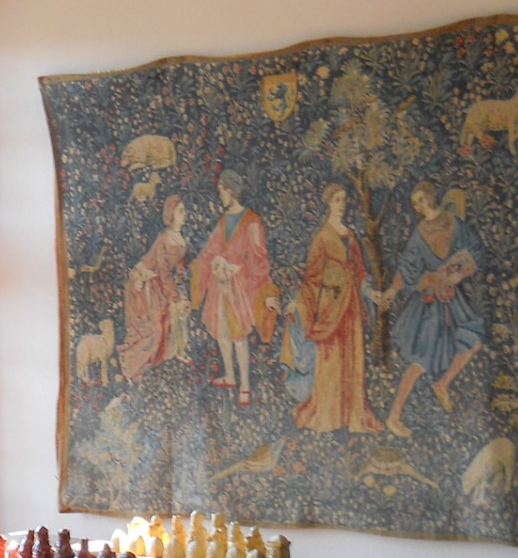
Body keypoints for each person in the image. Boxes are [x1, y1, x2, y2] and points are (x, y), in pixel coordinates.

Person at [377, 182, 486, 438]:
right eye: (415, 203)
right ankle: (394, 416)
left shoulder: (454, 222)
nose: (418, 206)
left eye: (421, 200)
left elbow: (476, 252)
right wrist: (392, 291)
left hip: (452, 297)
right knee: (420, 361)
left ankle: (443, 384)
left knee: (472, 342)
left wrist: (457, 272)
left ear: (431, 197)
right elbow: (407, 268)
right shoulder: (420, 232)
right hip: (429, 304)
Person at [282, 183, 382, 434]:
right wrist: (299, 302)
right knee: (331, 358)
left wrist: (371, 293)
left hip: (351, 307)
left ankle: (352, 413)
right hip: (330, 305)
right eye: (337, 200)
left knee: (353, 357)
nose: (342, 204)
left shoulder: (351, 236)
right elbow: (313, 278)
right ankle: (328, 414)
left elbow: (359, 272)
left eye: (344, 199)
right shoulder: (322, 237)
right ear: (328, 203)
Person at [190, 169, 279, 408]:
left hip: (240, 287)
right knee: (222, 331)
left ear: (231, 191)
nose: (221, 197)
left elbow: (259, 259)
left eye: (222, 192)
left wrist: (234, 266)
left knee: (239, 336)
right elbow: (211, 248)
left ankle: (246, 387)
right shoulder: (223, 220)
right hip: (220, 285)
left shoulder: (252, 221)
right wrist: (208, 263)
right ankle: (230, 376)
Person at [118, 194, 191, 381]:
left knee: (171, 320)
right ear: (171, 214)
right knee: (153, 329)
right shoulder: (164, 238)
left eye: (184, 211)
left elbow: (179, 270)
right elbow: (163, 270)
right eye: (181, 211)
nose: (185, 214)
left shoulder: (181, 240)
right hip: (145, 284)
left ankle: (169, 356)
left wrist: (181, 292)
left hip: (160, 285)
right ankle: (132, 367)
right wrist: (175, 296)